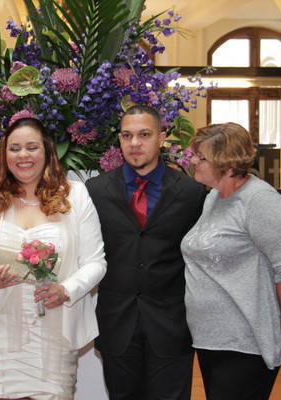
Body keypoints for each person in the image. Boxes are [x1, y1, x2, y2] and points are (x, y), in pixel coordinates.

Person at [0, 117, 107, 400]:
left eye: (31, 147)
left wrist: (66, 290)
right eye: (14, 148)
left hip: (56, 326)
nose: (23, 155)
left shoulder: (74, 195)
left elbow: (96, 262)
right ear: (4, 154)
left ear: (47, 151)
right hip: (0, 327)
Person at [85, 105, 206, 400]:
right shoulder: (96, 190)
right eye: (127, 135)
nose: (135, 143)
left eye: (144, 135)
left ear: (161, 138)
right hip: (117, 323)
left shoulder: (192, 193)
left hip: (172, 324)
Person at [181, 122, 281, 400]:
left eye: (202, 157)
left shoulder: (261, 201)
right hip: (211, 339)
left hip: (246, 341)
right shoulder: (214, 197)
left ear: (227, 165)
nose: (193, 162)